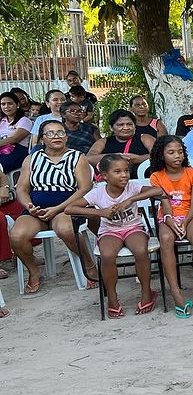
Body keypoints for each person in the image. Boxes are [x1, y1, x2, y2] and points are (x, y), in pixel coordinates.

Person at [10, 121, 100, 292]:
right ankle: (34, 270)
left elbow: (85, 188)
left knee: (66, 229)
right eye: (50, 133)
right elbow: (21, 188)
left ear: (66, 137)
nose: (56, 136)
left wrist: (57, 208)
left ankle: (89, 265)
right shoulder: (31, 159)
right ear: (42, 138)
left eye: (60, 133)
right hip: (36, 209)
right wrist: (30, 207)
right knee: (16, 235)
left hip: (66, 208)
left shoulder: (77, 157)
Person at [67, 154, 159, 316]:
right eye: (117, 171)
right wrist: (99, 212)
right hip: (110, 231)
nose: (124, 175)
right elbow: (70, 208)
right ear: (104, 176)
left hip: (133, 228)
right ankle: (112, 297)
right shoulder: (97, 193)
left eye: (126, 170)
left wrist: (130, 200)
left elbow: (158, 190)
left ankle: (146, 292)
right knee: (107, 255)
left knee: (140, 250)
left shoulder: (132, 187)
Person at [148, 135, 193, 317]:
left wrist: (184, 222)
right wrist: (171, 221)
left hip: (189, 216)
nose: (177, 156)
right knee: (166, 239)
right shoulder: (156, 177)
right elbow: (165, 204)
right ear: (161, 155)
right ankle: (177, 295)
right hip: (168, 217)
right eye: (171, 152)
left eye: (180, 152)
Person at [87, 109, 152, 177]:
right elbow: (88, 158)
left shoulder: (145, 138)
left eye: (129, 124)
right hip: (111, 184)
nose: (126, 128)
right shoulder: (103, 141)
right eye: (120, 125)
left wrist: (138, 159)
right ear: (111, 127)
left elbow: (159, 155)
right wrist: (115, 157)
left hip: (143, 180)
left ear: (135, 126)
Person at [0, 91, 33, 173]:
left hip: (17, 151)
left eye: (10, 103)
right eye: (3, 104)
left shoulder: (24, 121)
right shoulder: (2, 121)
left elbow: (15, 139)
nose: (6, 107)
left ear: (17, 105)